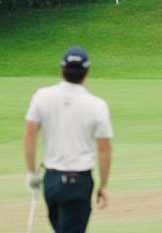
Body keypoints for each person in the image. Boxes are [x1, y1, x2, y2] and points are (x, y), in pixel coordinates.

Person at [23, 46, 113, 233]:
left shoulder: (42, 96)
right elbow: (104, 149)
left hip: (51, 183)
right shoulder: (97, 105)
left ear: (61, 68)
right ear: (87, 71)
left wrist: (32, 173)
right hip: (78, 183)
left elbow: (30, 137)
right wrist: (103, 185)